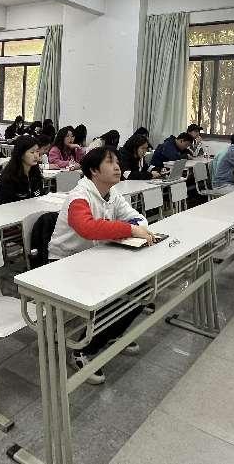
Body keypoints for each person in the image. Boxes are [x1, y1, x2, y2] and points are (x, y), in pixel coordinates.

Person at [48, 147, 153, 383]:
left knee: (142, 289)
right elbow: (87, 228)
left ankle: (113, 332)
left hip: (95, 257)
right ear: (94, 170)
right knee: (117, 291)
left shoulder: (111, 193)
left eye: (117, 162)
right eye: (110, 162)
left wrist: (134, 227)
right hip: (65, 263)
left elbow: (138, 218)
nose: (117, 167)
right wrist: (130, 229)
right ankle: (82, 350)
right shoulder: (79, 196)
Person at [0, 135, 45, 205]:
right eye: (32, 152)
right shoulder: (8, 178)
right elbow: (4, 205)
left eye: (37, 151)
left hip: (33, 209)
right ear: (21, 154)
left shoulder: (36, 173)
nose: (36, 156)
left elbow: (40, 195)